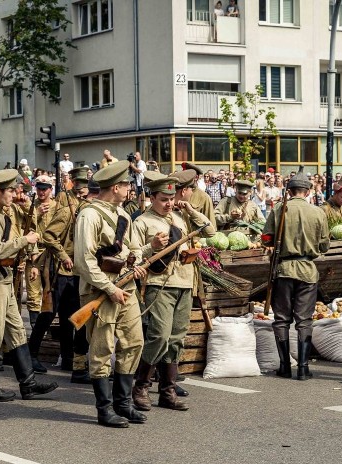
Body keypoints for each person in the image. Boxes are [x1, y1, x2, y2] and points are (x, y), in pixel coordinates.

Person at [0, 169, 58, 402]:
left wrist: (25, 208)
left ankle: (27, 384)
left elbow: (23, 224)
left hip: (4, 276)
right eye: (10, 190)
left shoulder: (3, 211)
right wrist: (25, 240)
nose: (15, 193)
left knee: (16, 330)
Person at [73, 160, 149, 428]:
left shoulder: (124, 215)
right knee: (102, 348)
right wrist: (109, 288)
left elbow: (134, 247)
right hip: (101, 291)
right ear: (116, 187)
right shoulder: (89, 215)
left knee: (134, 342)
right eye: (127, 184)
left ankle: (123, 403)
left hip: (125, 288)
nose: (130, 188)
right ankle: (104, 409)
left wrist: (136, 263)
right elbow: (83, 260)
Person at [131, 176, 215, 412]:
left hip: (185, 282)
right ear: (152, 198)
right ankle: (141, 386)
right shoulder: (142, 222)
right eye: (163, 199)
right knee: (159, 335)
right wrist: (152, 247)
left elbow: (210, 230)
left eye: (171, 199)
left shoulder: (180, 218)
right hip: (159, 284)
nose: (169, 203)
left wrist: (189, 208)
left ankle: (167, 390)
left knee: (177, 337)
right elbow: (134, 255)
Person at [262, 176, 330, 380]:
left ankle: (284, 366)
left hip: (283, 270)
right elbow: (324, 245)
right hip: (307, 270)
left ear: (289, 191)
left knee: (282, 319)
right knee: (304, 320)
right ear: (307, 192)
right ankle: (303, 367)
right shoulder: (318, 212)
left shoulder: (279, 209)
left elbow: (267, 238)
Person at [42, 166, 92, 383]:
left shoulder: (88, 207)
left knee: (81, 317)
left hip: (82, 269)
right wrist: (63, 256)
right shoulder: (66, 205)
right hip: (66, 269)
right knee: (64, 317)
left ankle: (77, 363)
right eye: (81, 189)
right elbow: (49, 235)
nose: (84, 192)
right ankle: (68, 359)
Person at [26, 176, 59, 372]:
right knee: (33, 296)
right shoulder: (32, 206)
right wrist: (36, 214)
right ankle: (34, 337)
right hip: (34, 255)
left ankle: (45, 338)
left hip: (52, 257)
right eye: (39, 188)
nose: (42, 192)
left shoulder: (57, 206)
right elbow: (26, 229)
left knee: (50, 300)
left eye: (45, 188)